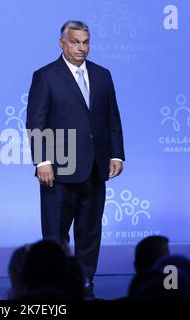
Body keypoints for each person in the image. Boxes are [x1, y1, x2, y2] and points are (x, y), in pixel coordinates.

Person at [26, 20, 125, 297]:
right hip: (58, 168)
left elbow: (112, 117)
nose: (81, 48)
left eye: (85, 42)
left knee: (90, 230)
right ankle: (54, 282)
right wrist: (41, 161)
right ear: (62, 43)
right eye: (75, 42)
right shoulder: (45, 75)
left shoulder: (103, 75)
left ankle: (85, 280)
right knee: (56, 234)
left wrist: (116, 154)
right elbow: (36, 121)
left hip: (95, 167)